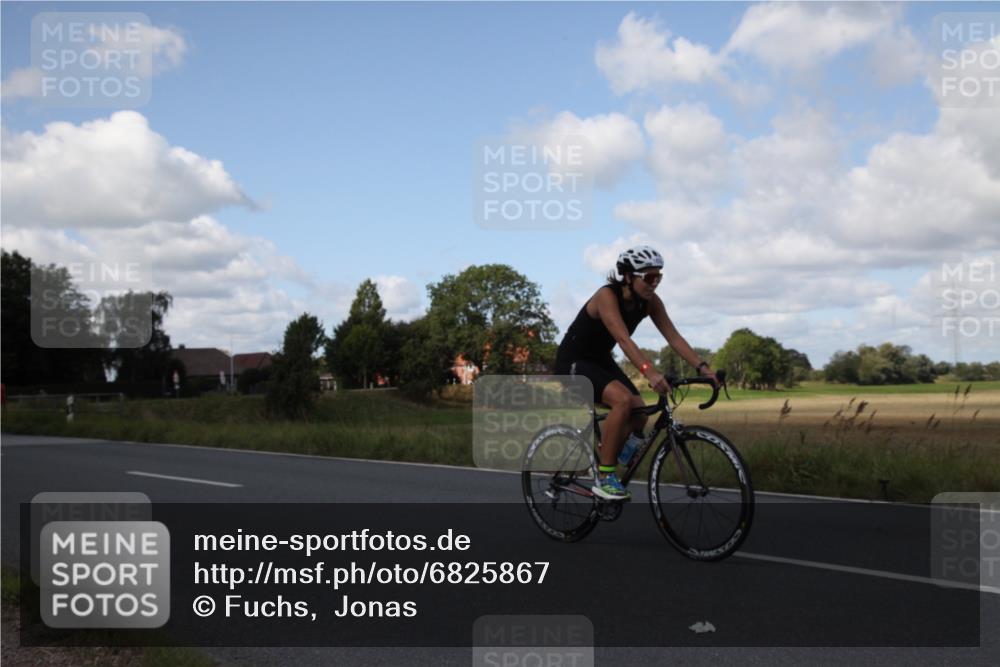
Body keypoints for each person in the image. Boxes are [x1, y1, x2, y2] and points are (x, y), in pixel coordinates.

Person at [554, 246, 718, 501]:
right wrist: (649, 372)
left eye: (658, 277)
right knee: (622, 400)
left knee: (639, 412)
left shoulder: (650, 302)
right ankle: (605, 476)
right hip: (572, 363)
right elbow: (623, 340)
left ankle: (605, 450)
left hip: (599, 361)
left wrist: (703, 368)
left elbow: (673, 336)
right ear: (629, 276)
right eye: (649, 277)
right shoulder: (606, 296)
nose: (655, 283)